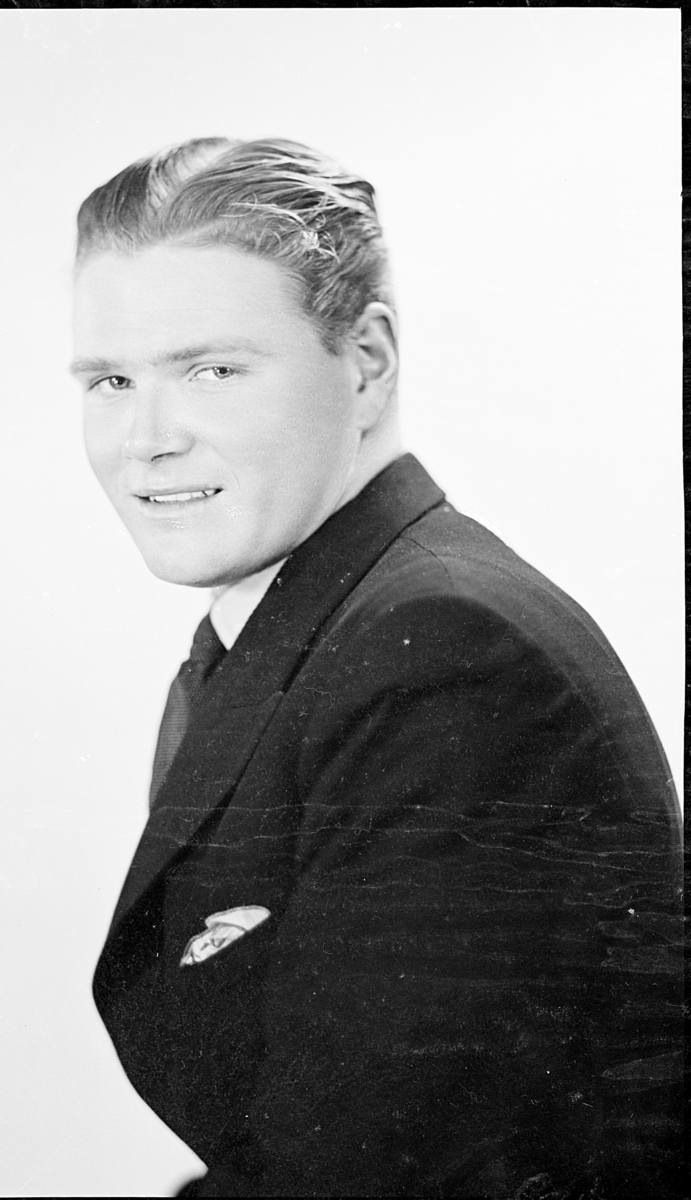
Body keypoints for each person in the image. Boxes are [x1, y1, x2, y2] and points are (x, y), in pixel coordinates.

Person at [71, 138, 682, 1198]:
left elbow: (364, 1177)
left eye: (212, 370)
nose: (146, 439)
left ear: (366, 361)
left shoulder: (445, 660)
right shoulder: (338, 621)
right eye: (111, 381)